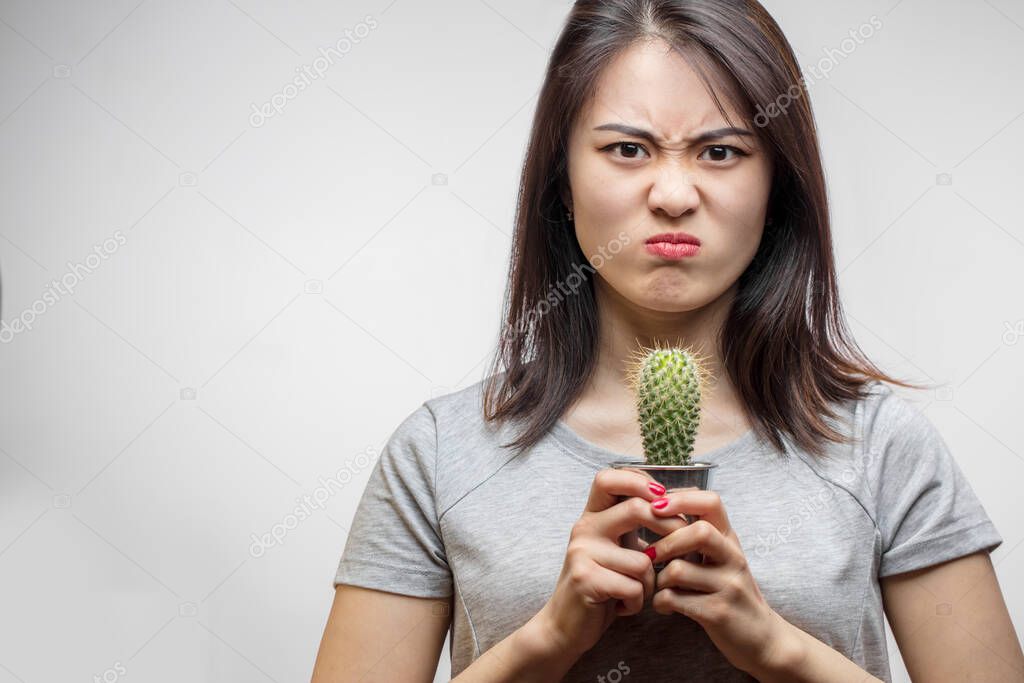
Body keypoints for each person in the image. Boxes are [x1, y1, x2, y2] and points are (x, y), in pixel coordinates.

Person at [312, 1, 1022, 681]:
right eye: (628, 148)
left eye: (720, 151)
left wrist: (777, 647)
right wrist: (547, 639)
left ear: (776, 181)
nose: (675, 193)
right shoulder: (440, 452)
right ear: (562, 180)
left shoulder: (884, 447)